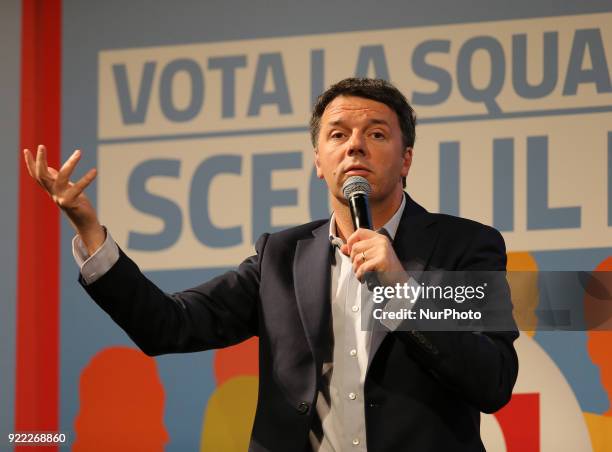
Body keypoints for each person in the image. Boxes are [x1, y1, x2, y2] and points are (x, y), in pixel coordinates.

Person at [24, 78, 518, 451]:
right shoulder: (281, 257)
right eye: (338, 134)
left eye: (376, 133)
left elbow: (491, 379)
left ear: (406, 158)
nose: (355, 146)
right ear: (319, 161)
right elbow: (167, 326)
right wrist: (90, 232)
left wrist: (401, 290)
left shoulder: (464, 247)